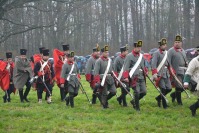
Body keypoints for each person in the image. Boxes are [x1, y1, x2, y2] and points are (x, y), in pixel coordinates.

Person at [123, 41, 147, 111]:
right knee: (136, 92)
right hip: (134, 77)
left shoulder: (141, 56)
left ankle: (133, 101)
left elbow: (143, 65)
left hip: (141, 76)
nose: (139, 49)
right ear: (134, 47)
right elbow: (126, 68)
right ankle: (137, 107)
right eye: (138, 47)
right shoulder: (129, 56)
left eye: (140, 47)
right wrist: (126, 77)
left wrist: (145, 71)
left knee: (144, 92)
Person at [151, 39, 172, 109]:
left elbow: (168, 64)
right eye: (163, 45)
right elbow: (153, 64)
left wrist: (171, 71)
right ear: (160, 46)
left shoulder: (167, 53)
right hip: (160, 74)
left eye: (165, 45)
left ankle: (158, 98)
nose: (164, 46)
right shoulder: (156, 53)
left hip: (166, 73)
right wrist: (154, 74)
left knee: (169, 89)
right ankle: (164, 105)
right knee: (163, 89)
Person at [168, 35, 188, 105]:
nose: (177, 43)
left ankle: (173, 95)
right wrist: (171, 70)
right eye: (176, 42)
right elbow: (168, 62)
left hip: (184, 70)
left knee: (184, 86)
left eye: (178, 42)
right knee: (179, 86)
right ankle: (179, 102)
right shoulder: (171, 51)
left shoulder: (183, 51)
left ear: (181, 43)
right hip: (176, 71)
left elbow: (185, 61)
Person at [183, 46, 199, 116]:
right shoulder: (194, 61)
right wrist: (186, 82)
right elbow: (188, 72)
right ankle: (193, 107)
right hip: (196, 82)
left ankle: (193, 107)